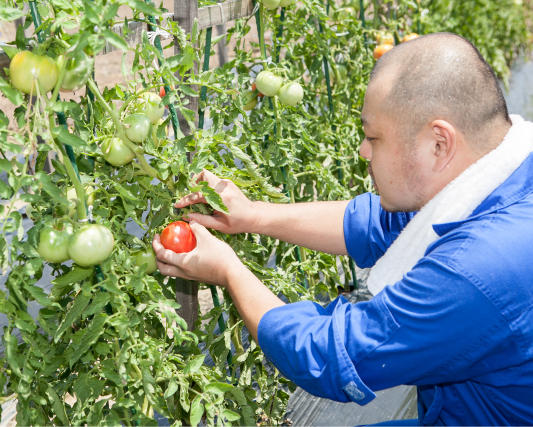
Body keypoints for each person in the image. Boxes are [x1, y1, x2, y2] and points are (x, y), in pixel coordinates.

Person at [152, 33, 533, 425]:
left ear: (439, 144)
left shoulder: (479, 269)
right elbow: (374, 224)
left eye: (373, 138)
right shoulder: (504, 171)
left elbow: (330, 357)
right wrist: (253, 215)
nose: (364, 152)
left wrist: (228, 270)